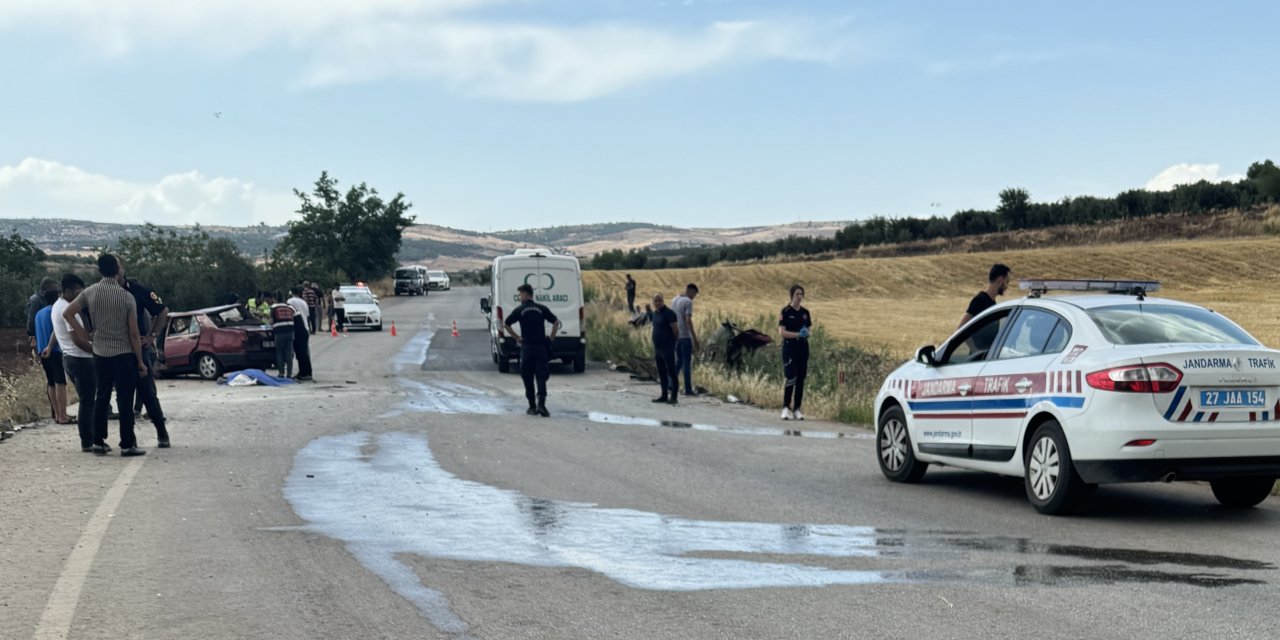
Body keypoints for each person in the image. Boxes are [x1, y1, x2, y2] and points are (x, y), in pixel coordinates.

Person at [64, 254, 148, 457]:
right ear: (117, 270)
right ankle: (127, 443)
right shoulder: (126, 297)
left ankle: (98, 441)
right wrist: (140, 360)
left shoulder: (90, 292)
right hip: (123, 353)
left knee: (101, 397)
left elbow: (68, 313)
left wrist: (85, 335)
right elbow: (134, 333)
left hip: (100, 353)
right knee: (125, 399)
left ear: (99, 270)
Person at [119, 262, 170, 447]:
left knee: (148, 393)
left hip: (139, 348)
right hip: (117, 349)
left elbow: (162, 310)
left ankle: (161, 432)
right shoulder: (103, 291)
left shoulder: (138, 290)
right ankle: (128, 439)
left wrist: (152, 335)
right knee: (123, 397)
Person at [503, 283, 561, 417]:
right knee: (541, 376)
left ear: (525, 294)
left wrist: (517, 338)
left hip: (527, 347)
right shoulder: (542, 308)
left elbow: (506, 324)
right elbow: (556, 322)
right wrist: (551, 337)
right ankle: (542, 404)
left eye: (520, 295)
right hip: (541, 347)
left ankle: (532, 406)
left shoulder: (520, 310)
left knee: (527, 376)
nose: (520, 297)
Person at [52, 275, 95, 451]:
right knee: (87, 401)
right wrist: (96, 351)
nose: (80, 295)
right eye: (78, 292)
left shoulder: (57, 306)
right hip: (80, 358)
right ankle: (88, 441)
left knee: (87, 399)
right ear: (68, 291)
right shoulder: (68, 309)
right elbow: (77, 339)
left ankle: (90, 438)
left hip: (68, 357)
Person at [778, 284, 813, 421]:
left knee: (800, 378)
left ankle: (797, 408)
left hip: (802, 348)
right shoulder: (786, 311)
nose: (799, 297)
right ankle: (785, 407)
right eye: (797, 294)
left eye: (801, 294)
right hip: (789, 347)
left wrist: (806, 333)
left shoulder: (805, 313)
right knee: (791, 376)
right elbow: (782, 332)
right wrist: (797, 334)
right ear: (792, 295)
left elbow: (809, 330)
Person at [35, 289, 70, 424]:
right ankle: (63, 415)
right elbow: (57, 331)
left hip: (41, 350)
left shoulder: (39, 314)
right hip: (54, 350)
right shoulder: (55, 311)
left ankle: (57, 414)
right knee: (60, 382)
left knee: (50, 382)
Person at [959, 263, 1011, 329]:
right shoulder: (979, 300)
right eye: (1007, 282)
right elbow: (961, 328)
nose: (1007, 287)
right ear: (1000, 280)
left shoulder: (992, 302)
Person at [650, 293, 680, 405]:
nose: (658, 303)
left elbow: (676, 330)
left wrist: (673, 343)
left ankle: (674, 397)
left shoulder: (669, 313)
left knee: (671, 371)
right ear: (653, 302)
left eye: (660, 300)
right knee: (662, 372)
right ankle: (664, 395)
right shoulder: (655, 314)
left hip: (667, 347)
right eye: (656, 301)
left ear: (663, 301)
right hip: (658, 348)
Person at [671, 283, 700, 397]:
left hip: (676, 336)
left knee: (678, 362)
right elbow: (688, 320)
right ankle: (688, 389)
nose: (694, 297)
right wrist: (694, 338)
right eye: (694, 294)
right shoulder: (688, 302)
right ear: (691, 291)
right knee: (686, 364)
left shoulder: (674, 300)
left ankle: (670, 384)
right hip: (685, 336)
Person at [266, 292, 297, 378]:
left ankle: (281, 373)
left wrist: (268, 326)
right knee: (288, 352)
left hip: (279, 332)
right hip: (290, 331)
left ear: (274, 299)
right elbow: (294, 316)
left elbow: (271, 321)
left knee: (279, 353)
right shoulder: (289, 306)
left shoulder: (273, 307)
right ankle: (289, 374)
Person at [26, 277, 59, 356]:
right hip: (40, 334)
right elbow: (31, 319)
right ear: (47, 286)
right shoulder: (35, 300)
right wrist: (32, 335)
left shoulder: (45, 299)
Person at [287, 287, 313, 381]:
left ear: (292, 293)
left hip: (298, 327)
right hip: (305, 327)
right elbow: (308, 316)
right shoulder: (304, 302)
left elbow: (289, 313)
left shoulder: (290, 301)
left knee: (300, 352)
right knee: (304, 352)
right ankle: (303, 372)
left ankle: (306, 373)